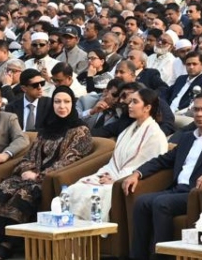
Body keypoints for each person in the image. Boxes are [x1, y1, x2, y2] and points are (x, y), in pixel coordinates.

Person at [116, 93, 202, 260]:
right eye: (196, 109)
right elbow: (163, 160)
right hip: (176, 189)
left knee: (160, 203)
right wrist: (137, 174)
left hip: (196, 193)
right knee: (142, 202)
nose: (199, 114)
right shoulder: (188, 137)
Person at [0, 87, 94, 260]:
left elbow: (71, 159)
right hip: (32, 175)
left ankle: (7, 243)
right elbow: (30, 155)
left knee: (24, 193)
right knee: (5, 187)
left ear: (73, 104)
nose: (62, 106)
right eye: (57, 102)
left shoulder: (81, 131)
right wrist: (26, 170)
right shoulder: (46, 128)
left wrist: (39, 176)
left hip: (49, 178)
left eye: (66, 102)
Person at [68, 87, 168, 223]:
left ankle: (88, 237)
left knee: (92, 195)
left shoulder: (156, 135)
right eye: (130, 102)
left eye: (134, 102)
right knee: (76, 188)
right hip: (112, 174)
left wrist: (117, 180)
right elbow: (116, 161)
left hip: (127, 181)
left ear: (147, 107)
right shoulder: (129, 129)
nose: (130, 105)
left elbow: (149, 166)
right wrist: (108, 175)